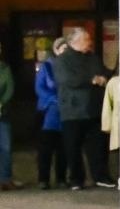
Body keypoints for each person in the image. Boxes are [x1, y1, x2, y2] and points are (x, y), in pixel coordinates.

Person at [55, 28, 108, 191]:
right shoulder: (62, 60)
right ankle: (76, 179)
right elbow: (67, 79)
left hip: (94, 108)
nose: (90, 42)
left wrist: (103, 78)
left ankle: (101, 176)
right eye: (86, 39)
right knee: (73, 147)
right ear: (75, 41)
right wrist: (92, 80)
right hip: (73, 110)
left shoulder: (93, 57)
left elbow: (103, 72)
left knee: (98, 145)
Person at [34, 38, 66, 190]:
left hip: (65, 111)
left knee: (63, 148)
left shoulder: (69, 66)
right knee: (45, 148)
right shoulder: (46, 66)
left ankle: (61, 178)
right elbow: (40, 88)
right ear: (56, 50)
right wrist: (55, 99)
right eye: (63, 49)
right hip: (49, 111)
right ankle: (43, 179)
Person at [0, 40, 14, 191]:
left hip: (2, 113)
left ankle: (5, 179)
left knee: (5, 147)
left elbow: (9, 89)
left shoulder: (4, 68)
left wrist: (2, 103)